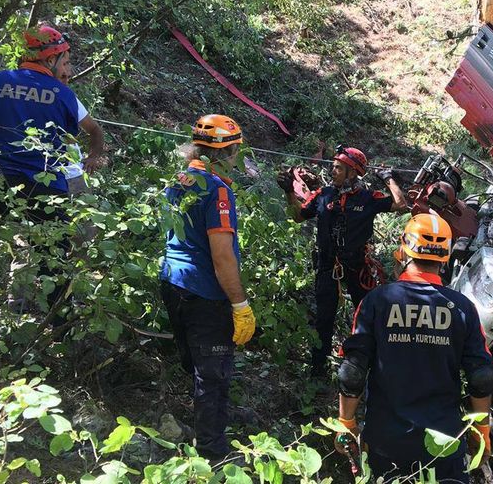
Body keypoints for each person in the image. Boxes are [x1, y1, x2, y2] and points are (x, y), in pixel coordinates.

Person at [335, 214, 493, 483]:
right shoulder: (463, 308)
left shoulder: (376, 301)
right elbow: (481, 377)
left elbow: (352, 371)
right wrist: (481, 432)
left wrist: (346, 424)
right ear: (445, 255)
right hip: (444, 443)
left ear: (404, 249)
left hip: (386, 442)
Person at [159, 114, 256, 460]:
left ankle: (202, 431)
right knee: (213, 377)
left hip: (172, 281)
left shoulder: (180, 178)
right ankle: (213, 457)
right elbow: (222, 257)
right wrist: (240, 304)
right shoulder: (217, 190)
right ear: (227, 152)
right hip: (204, 292)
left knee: (197, 367)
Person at [278, 146, 407, 376]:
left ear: (352, 172)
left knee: (366, 313)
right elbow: (298, 216)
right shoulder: (324, 194)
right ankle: (318, 370)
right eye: (334, 166)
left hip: (357, 265)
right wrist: (289, 192)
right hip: (327, 264)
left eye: (339, 168)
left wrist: (388, 179)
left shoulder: (367, 198)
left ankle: (368, 362)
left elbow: (400, 204)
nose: (333, 170)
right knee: (324, 317)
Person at [0, 25, 105, 198]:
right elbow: (87, 132)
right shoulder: (63, 94)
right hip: (49, 189)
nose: (68, 72)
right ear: (51, 60)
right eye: (65, 63)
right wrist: (93, 157)